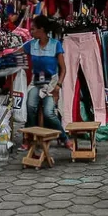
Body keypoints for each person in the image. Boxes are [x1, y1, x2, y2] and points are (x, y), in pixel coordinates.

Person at [22, 15, 71, 149]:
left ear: (41, 30)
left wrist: (58, 86)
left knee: (49, 113)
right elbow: (15, 52)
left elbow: (63, 69)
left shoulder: (56, 45)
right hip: (36, 82)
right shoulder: (31, 44)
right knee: (30, 107)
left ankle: (64, 138)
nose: (31, 32)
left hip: (51, 84)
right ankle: (30, 137)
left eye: (33, 29)